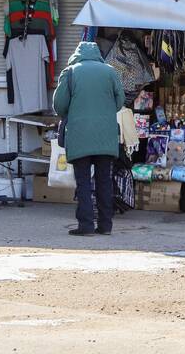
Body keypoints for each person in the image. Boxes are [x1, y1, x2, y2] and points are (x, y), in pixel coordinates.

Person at [52, 41, 124, 236]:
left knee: (83, 181)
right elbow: (120, 102)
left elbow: (59, 105)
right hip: (105, 136)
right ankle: (105, 226)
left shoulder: (71, 72)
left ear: (77, 54)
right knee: (104, 181)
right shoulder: (110, 71)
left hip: (79, 134)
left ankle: (86, 225)